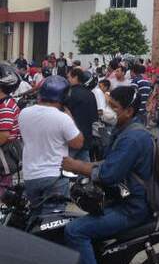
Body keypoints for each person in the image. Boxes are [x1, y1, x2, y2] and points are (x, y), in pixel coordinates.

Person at [62, 86, 154, 264]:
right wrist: (86, 165)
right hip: (124, 201)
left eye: (114, 107)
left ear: (129, 111)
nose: (109, 111)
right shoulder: (126, 131)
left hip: (131, 208)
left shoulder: (133, 137)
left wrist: (78, 166)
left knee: (75, 230)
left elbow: (109, 174)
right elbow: (111, 163)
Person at [18, 75, 84, 214]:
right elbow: (78, 143)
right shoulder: (62, 118)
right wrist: (70, 116)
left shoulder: (24, 113)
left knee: (34, 219)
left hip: (30, 175)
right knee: (52, 223)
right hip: (54, 177)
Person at [65, 68, 98, 162]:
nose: (67, 80)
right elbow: (94, 117)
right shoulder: (90, 94)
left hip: (73, 136)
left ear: (75, 77)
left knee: (65, 167)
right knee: (84, 167)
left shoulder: (70, 93)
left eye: (68, 77)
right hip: (87, 136)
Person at [0, 64, 23, 196]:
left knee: (4, 191)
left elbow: (3, 136)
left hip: (5, 156)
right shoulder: (5, 103)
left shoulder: (5, 107)